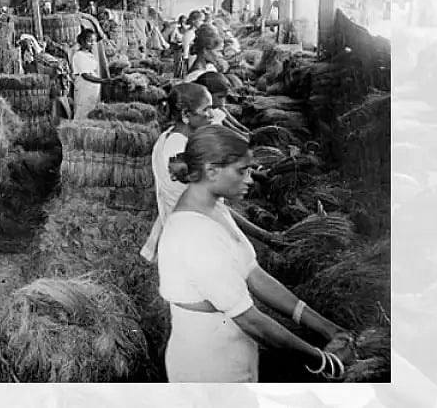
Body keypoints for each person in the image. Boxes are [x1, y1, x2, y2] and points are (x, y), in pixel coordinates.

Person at [156, 125, 355, 382]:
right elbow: (252, 321)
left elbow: (253, 274)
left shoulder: (215, 208)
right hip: (208, 367)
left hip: (231, 351)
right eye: (242, 171)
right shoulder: (194, 234)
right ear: (211, 171)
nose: (250, 179)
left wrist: (329, 328)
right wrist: (326, 362)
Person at [141, 83, 282, 262]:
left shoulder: (175, 138)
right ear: (185, 115)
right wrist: (264, 235)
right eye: (206, 109)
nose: (211, 115)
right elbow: (212, 206)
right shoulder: (178, 149)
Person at [195, 71, 250, 138]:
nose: (222, 102)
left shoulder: (214, 107)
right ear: (207, 94)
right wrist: (244, 135)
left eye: (224, 97)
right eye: (220, 97)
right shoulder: (201, 113)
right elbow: (228, 129)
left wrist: (242, 129)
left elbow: (224, 114)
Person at [71, 30, 112, 120]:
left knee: (91, 114)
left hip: (92, 91)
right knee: (82, 114)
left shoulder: (89, 55)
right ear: (82, 41)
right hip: (84, 90)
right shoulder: (79, 55)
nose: (93, 43)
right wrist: (103, 81)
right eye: (90, 41)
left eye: (94, 41)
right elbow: (85, 75)